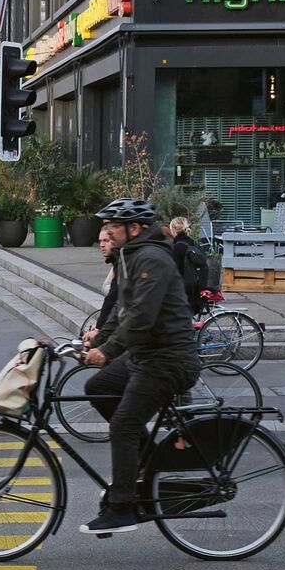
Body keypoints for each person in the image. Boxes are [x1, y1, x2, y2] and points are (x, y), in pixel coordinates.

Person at [80, 198, 202, 536]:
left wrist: (108, 351)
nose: (105, 232)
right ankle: (148, 459)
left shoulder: (152, 259)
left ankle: (122, 507)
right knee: (98, 388)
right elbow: (120, 308)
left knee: (123, 425)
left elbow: (141, 318)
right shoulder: (130, 256)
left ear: (133, 229)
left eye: (112, 227)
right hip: (146, 357)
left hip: (169, 360)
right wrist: (97, 340)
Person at [167, 215, 210, 315]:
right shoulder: (193, 244)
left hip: (183, 294)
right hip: (196, 292)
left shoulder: (177, 247)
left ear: (174, 230)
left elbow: (173, 272)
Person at [83, 224, 117, 347]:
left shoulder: (127, 264)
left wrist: (99, 329)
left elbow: (114, 299)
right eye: (100, 241)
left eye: (106, 241)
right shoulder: (120, 263)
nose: (102, 245)